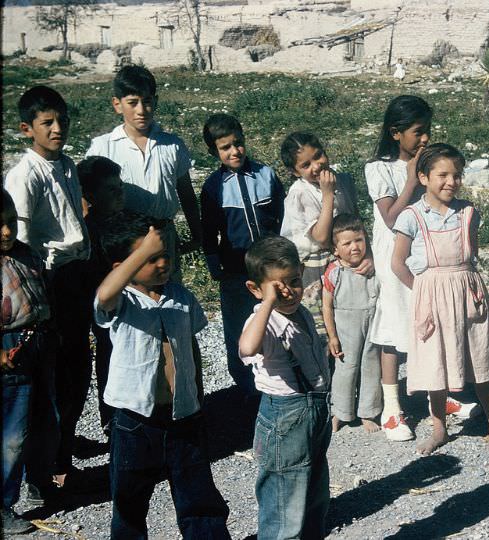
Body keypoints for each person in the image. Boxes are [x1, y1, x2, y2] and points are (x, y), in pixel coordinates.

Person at [95, 212, 230, 538]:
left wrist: (197, 397)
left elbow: (191, 350)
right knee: (130, 498)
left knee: (197, 493)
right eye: (150, 258)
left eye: (163, 255)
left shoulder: (181, 297)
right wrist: (141, 253)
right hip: (134, 421)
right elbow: (104, 294)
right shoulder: (122, 302)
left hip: (183, 415)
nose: (161, 263)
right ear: (122, 267)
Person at [366, 95, 476, 442]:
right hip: (395, 257)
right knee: (395, 330)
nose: (425, 138)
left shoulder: (428, 163)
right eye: (418, 132)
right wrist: (413, 178)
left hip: (426, 255)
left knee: (431, 324)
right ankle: (392, 409)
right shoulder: (379, 168)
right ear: (395, 133)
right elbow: (390, 216)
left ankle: (439, 399)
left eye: (428, 130)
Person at [4, 85, 92, 494]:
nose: (58, 129)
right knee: (53, 374)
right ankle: (47, 464)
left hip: (76, 274)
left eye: (62, 120)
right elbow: (16, 238)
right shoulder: (25, 174)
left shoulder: (67, 165)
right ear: (27, 129)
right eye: (47, 123)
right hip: (48, 281)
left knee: (77, 367)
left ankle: (63, 443)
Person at [391, 143, 489, 455]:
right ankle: (439, 427)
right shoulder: (411, 216)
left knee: (479, 361)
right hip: (431, 297)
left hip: (468, 294)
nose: (451, 181)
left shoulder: (468, 213)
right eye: (442, 174)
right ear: (424, 177)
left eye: (456, 175)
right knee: (435, 364)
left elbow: (472, 254)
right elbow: (397, 263)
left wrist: (464, 285)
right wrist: (424, 291)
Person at [239, 236, 331, 539]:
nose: (288, 292)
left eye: (294, 281)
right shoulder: (264, 322)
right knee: (283, 507)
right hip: (284, 418)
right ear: (256, 289)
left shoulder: (300, 312)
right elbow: (248, 347)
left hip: (314, 412)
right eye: (278, 287)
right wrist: (267, 302)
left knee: (315, 498)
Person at [86, 64, 202, 280]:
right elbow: (87, 198)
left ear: (155, 102)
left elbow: (186, 193)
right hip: (123, 240)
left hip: (163, 234)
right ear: (117, 105)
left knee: (168, 292)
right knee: (129, 298)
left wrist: (197, 234)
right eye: (132, 103)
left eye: (147, 101)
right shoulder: (103, 146)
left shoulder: (172, 145)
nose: (141, 110)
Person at [200, 113, 285, 395]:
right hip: (235, 270)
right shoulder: (213, 188)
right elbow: (209, 230)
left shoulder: (266, 175)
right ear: (214, 151)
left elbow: (281, 217)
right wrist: (214, 264)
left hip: (269, 266)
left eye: (238, 144)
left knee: (275, 319)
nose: (234, 151)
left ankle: (280, 379)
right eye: (225, 148)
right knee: (238, 329)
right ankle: (247, 389)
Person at [1, 191, 56, 535]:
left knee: (46, 420)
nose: (6, 232)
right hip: (9, 351)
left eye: (9, 223)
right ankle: (3, 505)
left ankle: (40, 482)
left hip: (39, 342)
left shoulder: (27, 254)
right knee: (11, 433)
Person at [279, 131, 368, 337]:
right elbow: (320, 237)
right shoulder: (300, 192)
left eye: (318, 156)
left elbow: (354, 218)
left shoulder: (342, 180)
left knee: (348, 316)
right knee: (323, 326)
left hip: (345, 255)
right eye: (306, 165)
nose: (316, 166)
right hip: (316, 265)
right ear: (295, 171)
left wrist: (367, 253)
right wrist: (327, 194)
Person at [77, 156, 126, 435]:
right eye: (111, 189)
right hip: (104, 311)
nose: (120, 193)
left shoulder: (128, 223)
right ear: (91, 196)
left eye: (121, 186)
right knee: (109, 357)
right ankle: (111, 417)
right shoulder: (88, 232)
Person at [321, 214, 382, 433]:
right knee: (346, 368)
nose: (355, 247)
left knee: (371, 367)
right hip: (346, 328)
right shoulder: (334, 272)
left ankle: (369, 411)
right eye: (347, 243)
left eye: (359, 240)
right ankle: (341, 412)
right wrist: (332, 336)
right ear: (336, 249)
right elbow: (326, 306)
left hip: (373, 323)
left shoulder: (374, 267)